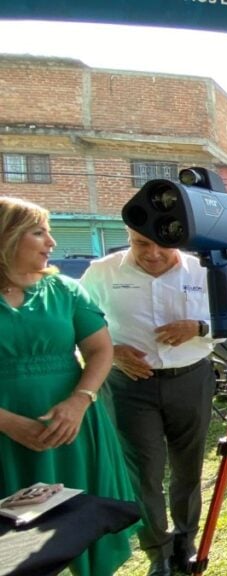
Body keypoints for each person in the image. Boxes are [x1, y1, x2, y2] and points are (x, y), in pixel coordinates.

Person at [0, 197, 137, 575]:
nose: (52, 242)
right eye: (39, 232)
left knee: (81, 524)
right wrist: (8, 422)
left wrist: (79, 401)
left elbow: (100, 350)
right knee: (13, 545)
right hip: (4, 433)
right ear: (6, 236)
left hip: (72, 427)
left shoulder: (65, 290)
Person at [79, 230, 217, 576]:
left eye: (162, 244)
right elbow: (79, 324)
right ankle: (159, 551)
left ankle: (185, 539)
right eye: (141, 243)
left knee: (188, 467)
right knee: (143, 473)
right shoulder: (102, 272)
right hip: (129, 386)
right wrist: (111, 351)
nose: (152, 253)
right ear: (129, 237)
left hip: (190, 379)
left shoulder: (204, 270)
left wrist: (199, 327)